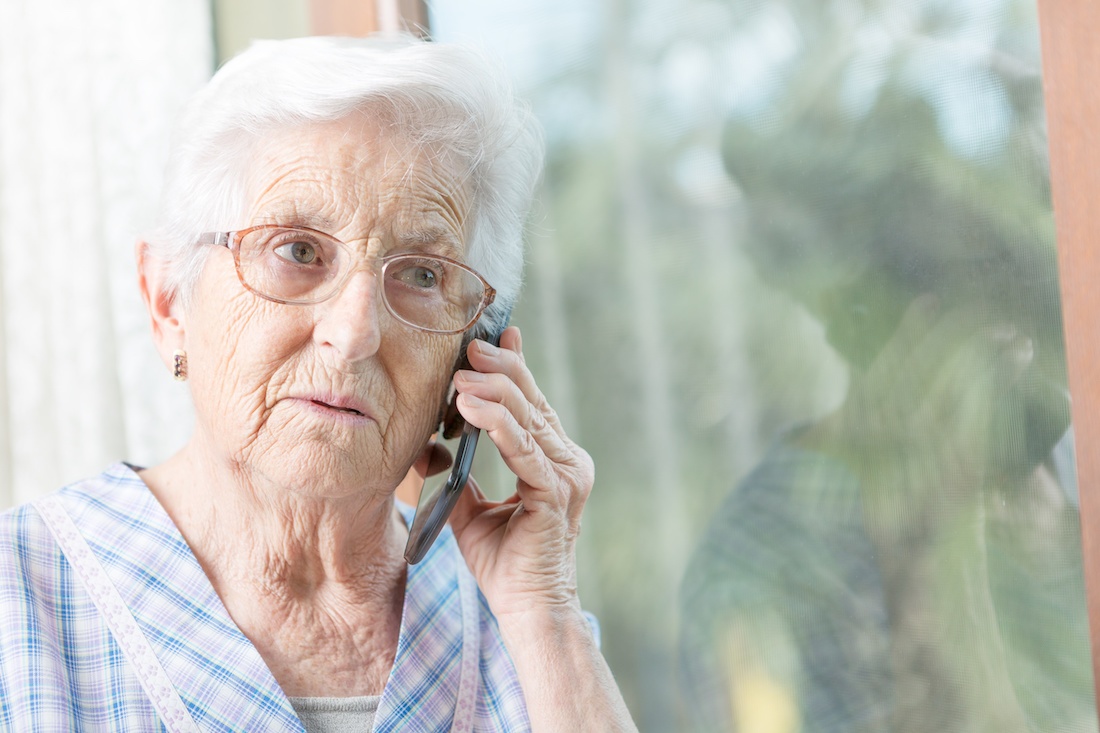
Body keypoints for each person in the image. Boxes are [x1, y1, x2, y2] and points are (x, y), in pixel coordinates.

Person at [0, 36, 636, 732]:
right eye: (297, 251)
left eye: (423, 273)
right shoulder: (20, 599)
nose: (354, 331)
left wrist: (548, 616)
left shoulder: (528, 633)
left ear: (473, 352)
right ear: (168, 303)